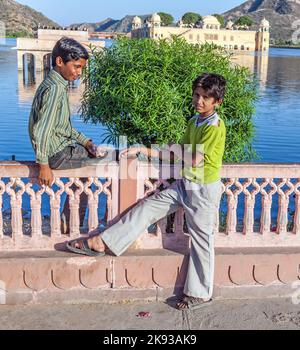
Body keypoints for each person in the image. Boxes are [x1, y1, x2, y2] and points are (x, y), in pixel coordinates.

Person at [66, 73, 227, 310]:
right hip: (185, 184)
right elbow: (176, 151)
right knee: (147, 208)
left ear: (217, 102)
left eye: (205, 97)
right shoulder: (195, 121)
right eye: (196, 95)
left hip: (203, 189)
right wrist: (143, 150)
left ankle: (200, 294)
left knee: (202, 241)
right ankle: (103, 243)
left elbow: (193, 159)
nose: (199, 101)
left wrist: (174, 153)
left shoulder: (214, 127)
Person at [28, 37, 107, 232]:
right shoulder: (55, 89)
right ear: (60, 62)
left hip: (59, 149)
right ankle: (75, 222)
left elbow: (61, 127)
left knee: (93, 160)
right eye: (77, 67)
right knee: (109, 160)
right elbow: (41, 129)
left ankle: (68, 220)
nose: (79, 73)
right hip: (57, 154)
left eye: (82, 68)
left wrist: (85, 141)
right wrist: (43, 165)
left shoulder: (54, 84)